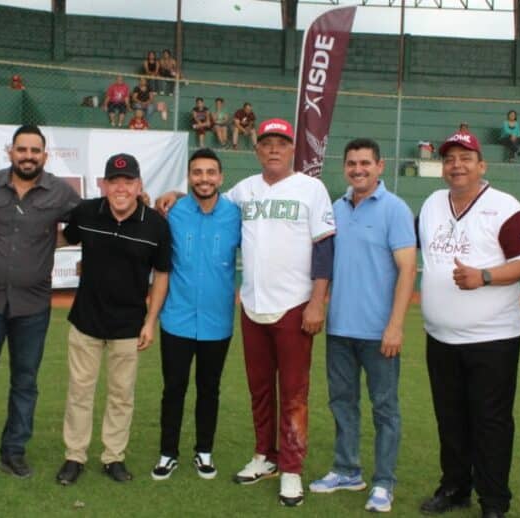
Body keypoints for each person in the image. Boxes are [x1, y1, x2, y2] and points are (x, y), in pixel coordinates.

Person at [158, 118, 335, 507]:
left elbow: (324, 247)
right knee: (259, 390)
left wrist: (318, 300)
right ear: (257, 150)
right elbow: (207, 197)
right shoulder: (243, 191)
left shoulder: (312, 189)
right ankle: (264, 457)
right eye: (267, 143)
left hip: (295, 305)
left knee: (293, 392)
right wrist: (175, 192)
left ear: (293, 149)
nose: (274, 149)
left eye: (281, 143)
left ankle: (290, 469)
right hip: (253, 307)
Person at [417, 131, 520, 518]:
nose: (457, 165)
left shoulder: (505, 207)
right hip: (441, 336)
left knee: (490, 422)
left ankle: (494, 501)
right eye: (450, 158)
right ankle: (454, 488)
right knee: (450, 419)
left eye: (466, 158)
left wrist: (483, 276)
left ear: (482, 165)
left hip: (493, 338)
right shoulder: (433, 204)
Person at [0, 125, 81, 485]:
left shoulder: (59, 191)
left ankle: (14, 453)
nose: (28, 156)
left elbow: (88, 220)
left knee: (25, 382)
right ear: (11, 152)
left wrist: (54, 242)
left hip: (33, 303)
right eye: (22, 149)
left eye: (35, 150)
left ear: (45, 155)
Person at [309, 139, 416, 514]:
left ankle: (384, 482)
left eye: (365, 163)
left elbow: (407, 269)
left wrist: (396, 326)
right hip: (340, 330)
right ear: (345, 167)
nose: (359, 169)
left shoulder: (395, 209)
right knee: (342, 404)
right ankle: (346, 470)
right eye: (352, 163)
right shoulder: (335, 209)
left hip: (379, 333)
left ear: (380, 166)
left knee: (385, 408)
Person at [56, 153, 171, 486]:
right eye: (114, 181)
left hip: (128, 324)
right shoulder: (87, 212)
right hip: (86, 320)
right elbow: (65, 238)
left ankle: (113, 457)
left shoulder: (156, 224)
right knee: (80, 392)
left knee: (121, 395)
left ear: (139, 185)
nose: (121, 188)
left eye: (128, 181)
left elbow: (162, 274)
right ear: (104, 185)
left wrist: (151, 321)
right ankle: (74, 456)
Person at [149, 148, 241, 482]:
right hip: (177, 318)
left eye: (210, 172)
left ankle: (204, 452)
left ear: (221, 177)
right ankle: (167, 453)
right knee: (173, 387)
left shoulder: (236, 214)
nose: (204, 178)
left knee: (209, 388)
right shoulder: (171, 211)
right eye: (197, 172)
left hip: (217, 322)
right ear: (188, 177)